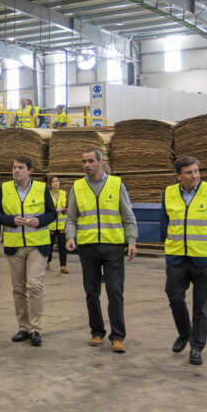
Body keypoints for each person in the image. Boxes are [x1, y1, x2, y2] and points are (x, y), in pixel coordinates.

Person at [65, 149, 138, 353]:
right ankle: (96, 332)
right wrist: (70, 236)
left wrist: (131, 240)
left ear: (100, 162)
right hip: (88, 247)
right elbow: (71, 217)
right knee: (91, 291)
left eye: (90, 161)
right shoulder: (78, 186)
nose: (86, 164)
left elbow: (128, 216)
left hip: (113, 246)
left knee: (115, 291)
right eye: (83, 161)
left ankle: (118, 335)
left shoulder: (116, 184)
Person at [159, 155, 207, 366]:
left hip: (205, 258)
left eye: (196, 171)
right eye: (189, 172)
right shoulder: (169, 193)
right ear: (178, 175)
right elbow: (165, 222)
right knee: (174, 296)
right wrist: (168, 244)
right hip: (177, 257)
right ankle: (184, 333)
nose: (195, 176)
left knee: (201, 305)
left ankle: (197, 347)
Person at [0, 155, 56, 346]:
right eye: (14, 167)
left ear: (30, 170)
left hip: (37, 245)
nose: (16, 171)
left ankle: (36, 329)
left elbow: (52, 213)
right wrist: (10, 220)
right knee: (18, 289)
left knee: (34, 286)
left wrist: (40, 221)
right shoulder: (4, 189)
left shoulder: (42, 188)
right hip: (15, 246)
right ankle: (24, 328)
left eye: (20, 168)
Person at [47, 176, 69, 274]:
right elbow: (45, 209)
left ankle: (63, 266)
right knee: (49, 246)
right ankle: (47, 263)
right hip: (50, 225)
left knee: (62, 246)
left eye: (57, 181)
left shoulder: (64, 194)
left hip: (61, 225)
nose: (56, 183)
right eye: (53, 181)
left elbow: (68, 207)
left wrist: (64, 209)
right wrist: (56, 210)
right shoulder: (47, 195)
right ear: (50, 184)